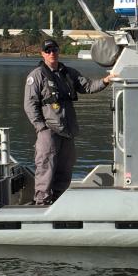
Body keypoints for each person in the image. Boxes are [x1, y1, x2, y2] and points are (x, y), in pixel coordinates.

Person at [24, 39, 115, 205]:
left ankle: (58, 201)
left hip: (67, 131)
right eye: (48, 50)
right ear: (42, 54)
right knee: (46, 167)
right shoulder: (36, 76)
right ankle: (41, 202)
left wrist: (106, 80)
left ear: (58, 52)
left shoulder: (68, 73)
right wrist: (40, 127)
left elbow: (87, 86)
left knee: (65, 169)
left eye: (55, 50)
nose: (52, 53)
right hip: (48, 130)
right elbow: (29, 105)